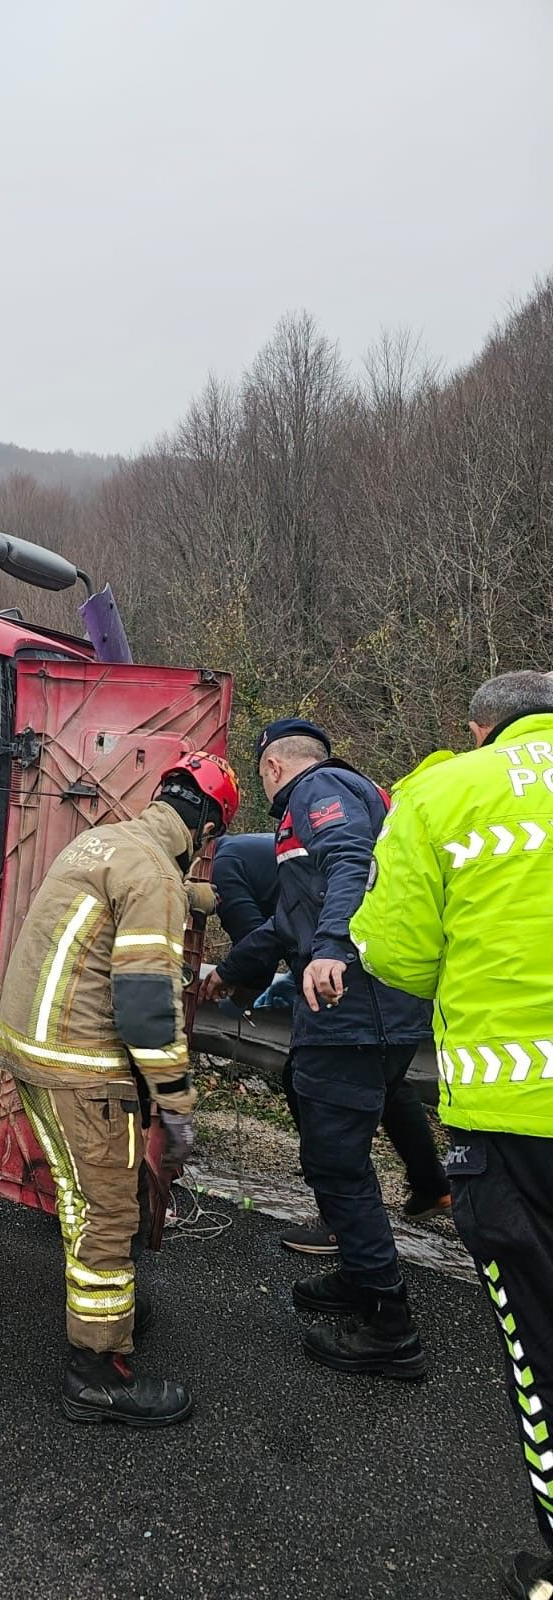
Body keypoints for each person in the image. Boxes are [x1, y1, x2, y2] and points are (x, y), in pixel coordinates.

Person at [349, 670, 553, 1599]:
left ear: (479, 729)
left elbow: (395, 954)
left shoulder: (445, 793)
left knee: (540, 1356)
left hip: (515, 1132)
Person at [0, 751, 241, 1427]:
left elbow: (140, 896)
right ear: (207, 832)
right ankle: (97, 1374)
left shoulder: (106, 842)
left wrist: (200, 899)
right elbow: (145, 1011)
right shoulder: (155, 875)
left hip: (33, 1052)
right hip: (83, 1068)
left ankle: (114, 1308)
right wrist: (177, 1101)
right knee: (104, 1214)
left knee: (99, 1195)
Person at [199, 719, 432, 1379]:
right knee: (336, 1152)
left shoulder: (319, 788)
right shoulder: (336, 802)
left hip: (354, 1010)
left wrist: (331, 947)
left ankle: (389, 1323)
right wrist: (232, 972)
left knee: (335, 1163)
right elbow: (281, 924)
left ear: (273, 766)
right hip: (373, 1013)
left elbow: (351, 858)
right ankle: (362, 1277)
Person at [210, 831, 450, 1254]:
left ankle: (342, 1223)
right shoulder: (281, 846)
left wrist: (229, 978)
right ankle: (432, 1185)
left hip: (347, 987)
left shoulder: (226, 863)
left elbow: (258, 940)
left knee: (310, 1084)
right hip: (398, 980)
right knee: (388, 1084)